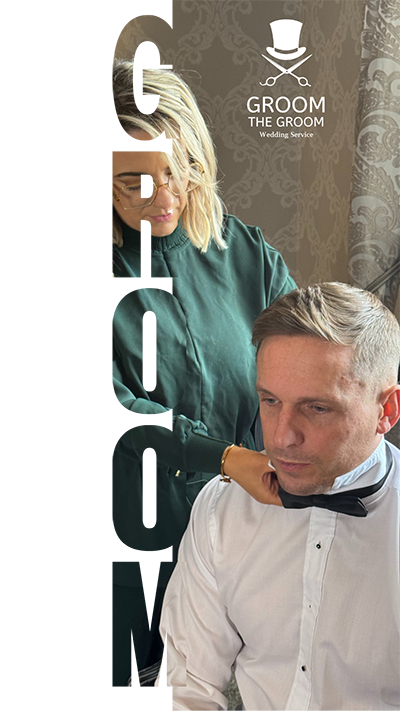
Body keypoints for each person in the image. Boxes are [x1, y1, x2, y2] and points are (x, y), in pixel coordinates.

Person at [112, 56, 296, 710]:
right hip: (131, 555)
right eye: (134, 182)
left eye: (179, 169)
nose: (165, 196)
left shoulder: (238, 249)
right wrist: (223, 457)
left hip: (247, 544)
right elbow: (115, 409)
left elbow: (304, 344)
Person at [151, 282, 400, 711]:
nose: (281, 438)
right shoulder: (222, 507)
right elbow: (189, 688)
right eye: (270, 400)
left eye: (317, 408)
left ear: (387, 410)